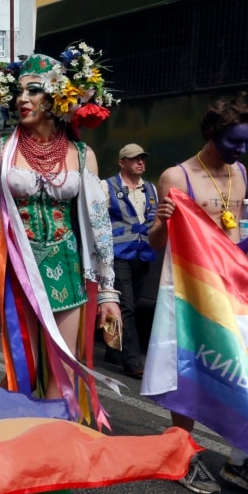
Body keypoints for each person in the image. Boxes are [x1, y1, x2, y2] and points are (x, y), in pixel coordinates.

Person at [0, 47, 121, 421]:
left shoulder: (82, 155)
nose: (22, 99)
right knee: (25, 370)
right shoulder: (0, 151)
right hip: (19, 272)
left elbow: (99, 227)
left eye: (33, 90)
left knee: (64, 371)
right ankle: (17, 446)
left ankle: (53, 454)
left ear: (57, 97)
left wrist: (108, 291)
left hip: (68, 271)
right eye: (18, 91)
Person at [149, 94, 248, 494]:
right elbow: (158, 244)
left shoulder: (239, 171)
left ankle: (239, 463)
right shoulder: (177, 177)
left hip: (236, 290)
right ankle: (182, 456)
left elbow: (244, 232)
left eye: (246, 143)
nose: (240, 151)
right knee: (189, 370)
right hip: (191, 292)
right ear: (211, 134)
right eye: (233, 143)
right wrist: (159, 223)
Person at [103, 143, 157, 378]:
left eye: (142, 159)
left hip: (142, 254)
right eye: (134, 159)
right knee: (125, 307)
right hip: (118, 254)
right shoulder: (108, 187)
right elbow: (97, 219)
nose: (140, 162)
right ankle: (133, 361)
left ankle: (112, 348)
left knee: (132, 304)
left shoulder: (151, 190)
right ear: (122, 162)